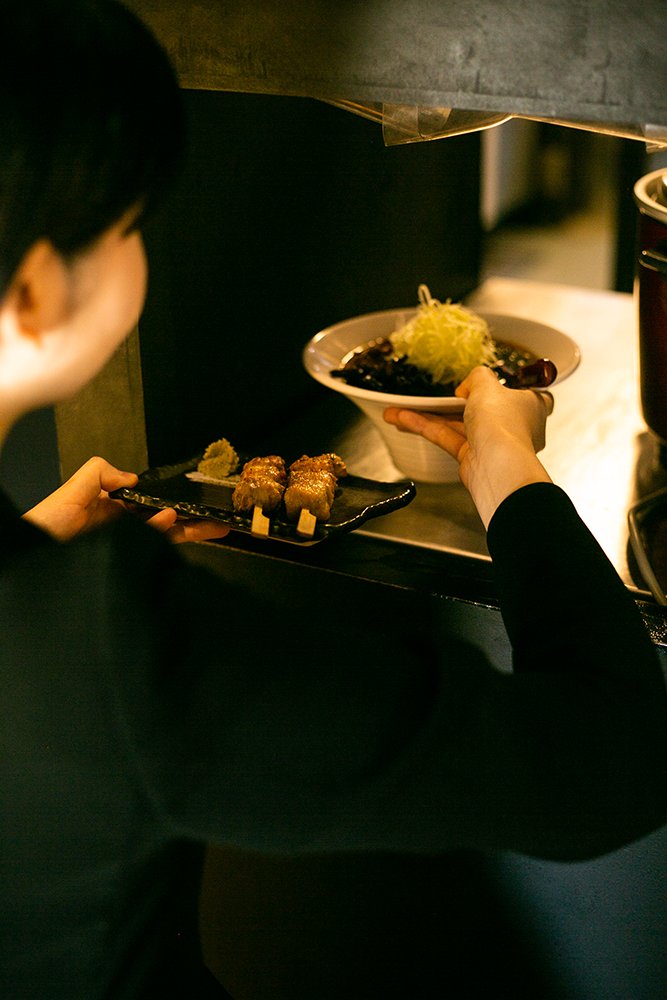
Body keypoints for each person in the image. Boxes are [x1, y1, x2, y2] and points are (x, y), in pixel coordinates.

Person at [1, 2, 665, 998]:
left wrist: (23, 553)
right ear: (37, 291)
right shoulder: (106, 641)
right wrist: (510, 472)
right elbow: (611, 761)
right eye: (131, 224)